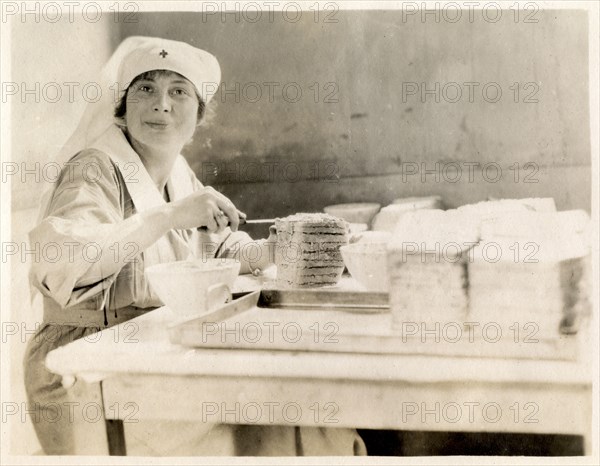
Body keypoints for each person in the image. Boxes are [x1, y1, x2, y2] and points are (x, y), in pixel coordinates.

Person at [24, 36, 366, 457]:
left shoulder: (177, 171)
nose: (161, 104)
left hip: (146, 350)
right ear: (122, 106)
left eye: (178, 92)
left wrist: (269, 251)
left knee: (293, 406)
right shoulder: (93, 168)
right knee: (263, 415)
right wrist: (168, 216)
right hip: (83, 365)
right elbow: (64, 260)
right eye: (145, 88)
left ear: (199, 113)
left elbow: (218, 246)